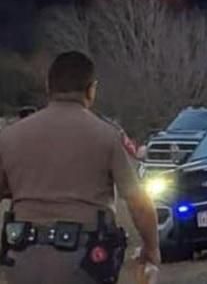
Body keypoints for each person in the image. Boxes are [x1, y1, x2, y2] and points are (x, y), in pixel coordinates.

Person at [0, 51, 161, 283]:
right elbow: (138, 203)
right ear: (91, 89)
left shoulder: (10, 137)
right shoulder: (107, 136)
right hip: (84, 262)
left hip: (22, 260)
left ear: (48, 86)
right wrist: (151, 249)